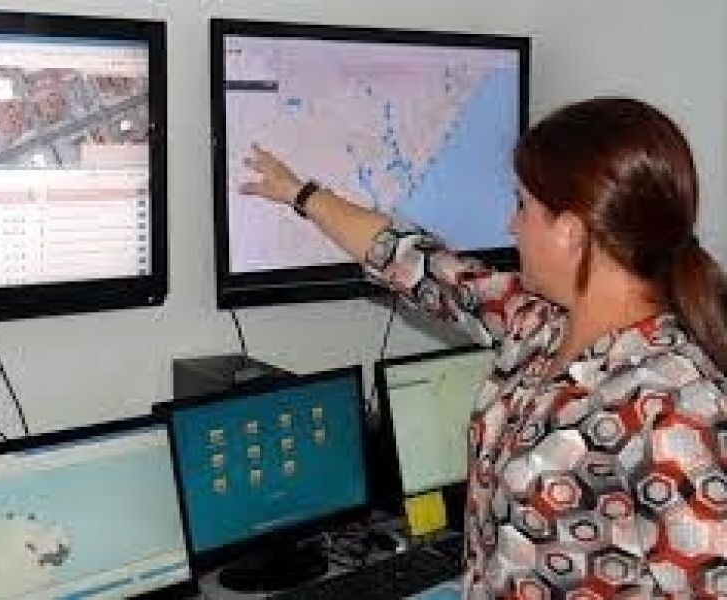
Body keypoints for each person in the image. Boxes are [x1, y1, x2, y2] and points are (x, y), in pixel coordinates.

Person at [241, 97, 727, 597]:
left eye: (523, 206)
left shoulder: (675, 404)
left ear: (570, 231)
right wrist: (300, 194)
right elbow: (417, 263)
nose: (511, 226)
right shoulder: (537, 325)